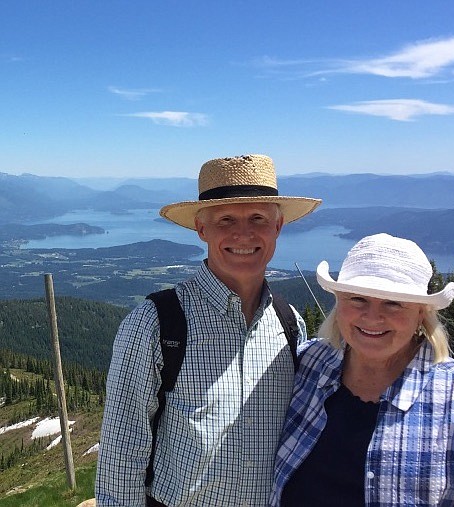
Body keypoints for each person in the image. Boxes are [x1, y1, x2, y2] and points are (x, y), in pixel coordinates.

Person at [95, 154, 321, 506]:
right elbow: (122, 450)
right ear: (202, 229)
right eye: (226, 219)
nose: (243, 233)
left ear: (277, 227)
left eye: (258, 218)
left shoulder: (290, 324)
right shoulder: (156, 323)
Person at [271, 233, 454, 506]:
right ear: (338, 303)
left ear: (421, 313)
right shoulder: (308, 365)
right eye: (358, 299)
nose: (373, 317)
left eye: (394, 303)